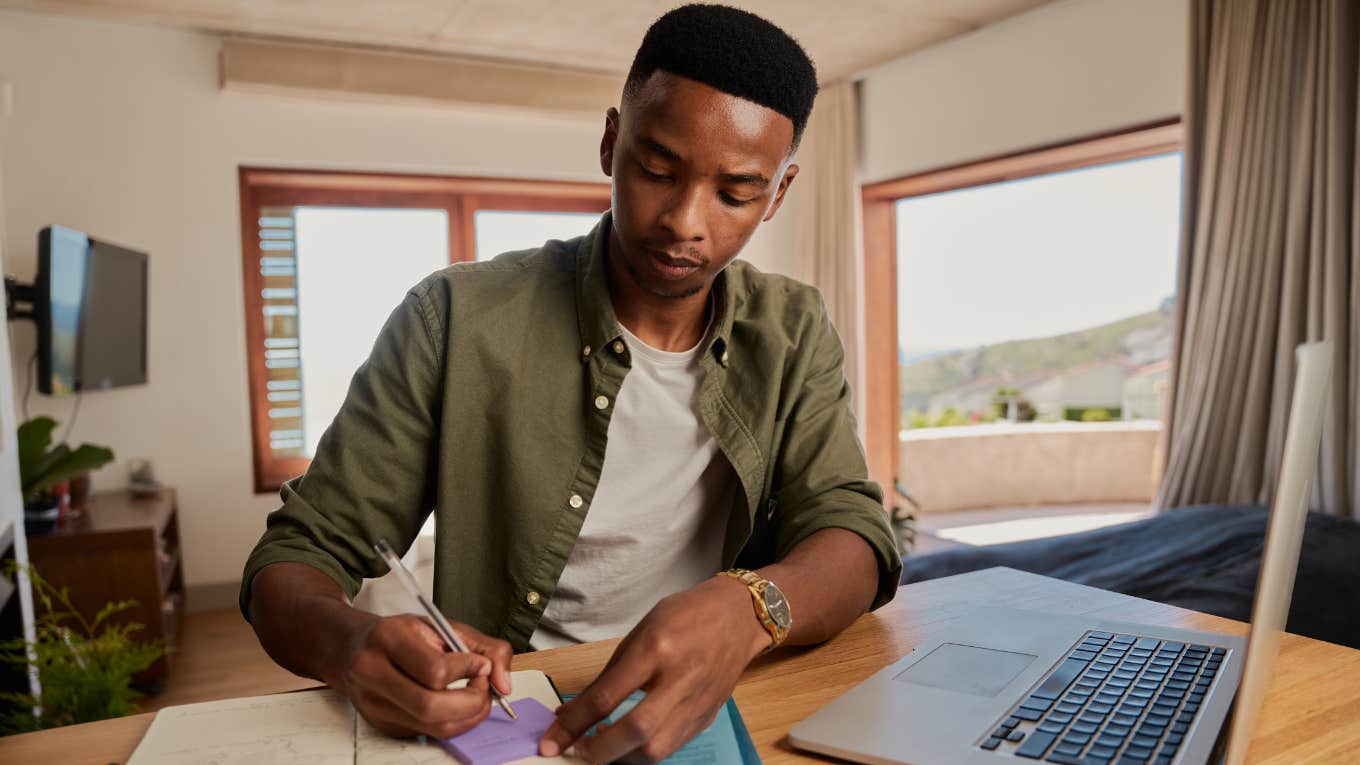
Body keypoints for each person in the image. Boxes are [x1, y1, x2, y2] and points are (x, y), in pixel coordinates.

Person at [240, 4, 902, 763]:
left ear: (777, 195)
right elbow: (294, 558)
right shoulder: (454, 318)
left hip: (711, 703)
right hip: (509, 719)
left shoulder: (793, 329)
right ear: (611, 142)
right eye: (657, 168)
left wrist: (750, 607)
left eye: (735, 192)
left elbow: (853, 528)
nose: (685, 220)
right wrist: (350, 644)